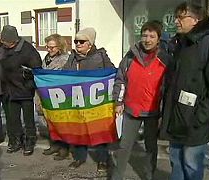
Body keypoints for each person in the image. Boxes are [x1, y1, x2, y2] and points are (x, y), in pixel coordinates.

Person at [159, 2, 209, 180]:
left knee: (191, 165)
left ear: (196, 20)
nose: (176, 21)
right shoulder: (180, 43)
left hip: (195, 122)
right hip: (176, 118)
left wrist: (199, 117)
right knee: (176, 161)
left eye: (181, 17)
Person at [111, 21, 172, 180]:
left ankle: (149, 175)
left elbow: (168, 88)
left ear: (158, 39)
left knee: (151, 147)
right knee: (124, 146)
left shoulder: (165, 59)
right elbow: (121, 80)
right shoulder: (130, 56)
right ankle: (117, 176)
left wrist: (164, 113)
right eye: (145, 35)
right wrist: (118, 102)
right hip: (132, 109)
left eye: (152, 36)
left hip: (153, 111)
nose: (147, 39)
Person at [63, 27, 115, 171]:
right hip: (78, 100)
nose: (78, 44)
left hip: (96, 102)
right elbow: (63, 75)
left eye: (81, 41)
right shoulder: (72, 57)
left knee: (99, 130)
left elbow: (111, 73)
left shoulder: (101, 56)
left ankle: (103, 160)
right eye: (76, 41)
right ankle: (79, 157)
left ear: (90, 43)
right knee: (79, 131)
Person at [0, 25, 42, 156]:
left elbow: (37, 68)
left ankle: (30, 141)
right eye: (4, 43)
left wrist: (27, 78)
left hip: (24, 89)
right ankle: (17, 140)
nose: (5, 45)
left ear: (15, 40)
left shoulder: (28, 50)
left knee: (28, 119)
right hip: (10, 89)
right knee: (14, 119)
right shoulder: (4, 48)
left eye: (8, 43)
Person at [40, 34, 69, 160]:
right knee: (48, 122)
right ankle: (54, 144)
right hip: (46, 94)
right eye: (48, 47)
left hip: (59, 95)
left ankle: (64, 148)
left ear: (60, 47)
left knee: (60, 123)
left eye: (52, 47)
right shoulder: (47, 57)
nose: (49, 50)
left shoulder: (65, 59)